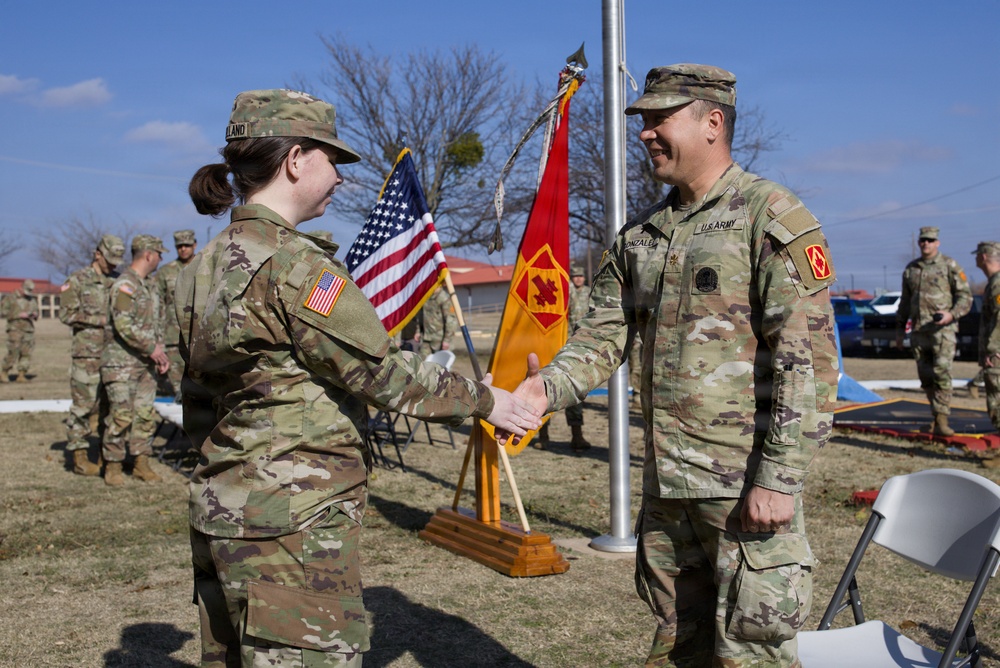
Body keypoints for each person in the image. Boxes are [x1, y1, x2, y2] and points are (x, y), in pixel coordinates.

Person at [179, 88, 540, 667]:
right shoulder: (297, 266)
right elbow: (382, 374)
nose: (340, 177)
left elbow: (196, 396)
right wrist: (485, 400)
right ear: (296, 159)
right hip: (291, 520)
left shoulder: (205, 266)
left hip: (223, 507)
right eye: (331, 158)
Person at [508, 64, 838, 667]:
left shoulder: (770, 216)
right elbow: (600, 340)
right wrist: (543, 392)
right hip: (668, 490)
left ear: (713, 123)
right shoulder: (641, 237)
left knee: (752, 653)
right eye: (643, 121)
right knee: (678, 645)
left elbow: (808, 360)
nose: (645, 133)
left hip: (743, 490)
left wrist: (779, 478)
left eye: (660, 119)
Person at [101, 234, 170, 487]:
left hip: (146, 364)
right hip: (121, 365)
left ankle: (141, 461)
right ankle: (113, 464)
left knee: (144, 414)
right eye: (159, 254)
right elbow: (123, 324)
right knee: (121, 416)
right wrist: (152, 348)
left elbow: (157, 322)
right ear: (148, 255)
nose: (161, 259)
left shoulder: (150, 286)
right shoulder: (124, 285)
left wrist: (160, 352)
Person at [59, 234, 125, 475]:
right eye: (109, 260)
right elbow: (66, 315)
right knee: (84, 406)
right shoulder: (77, 280)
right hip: (86, 355)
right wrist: (100, 320)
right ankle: (78, 457)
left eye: (116, 262)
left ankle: (105, 454)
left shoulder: (118, 280)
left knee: (109, 407)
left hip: (114, 356)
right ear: (98, 254)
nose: (112, 265)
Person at [896, 226, 972, 436]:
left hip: (942, 332)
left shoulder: (949, 265)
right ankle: (935, 416)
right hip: (920, 332)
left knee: (942, 374)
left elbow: (966, 297)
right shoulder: (911, 269)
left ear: (937, 242)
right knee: (926, 377)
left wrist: (951, 314)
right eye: (923, 240)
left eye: (930, 240)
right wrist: (900, 330)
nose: (926, 244)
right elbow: (904, 302)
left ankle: (942, 419)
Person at [536, 263, 592, 451]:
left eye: (580, 276)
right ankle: (543, 436)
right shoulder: (564, 290)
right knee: (546, 389)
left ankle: (577, 437)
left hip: (578, 347)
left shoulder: (590, 293)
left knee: (574, 392)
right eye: (574, 276)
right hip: (556, 345)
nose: (578, 279)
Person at [156, 229, 197, 398]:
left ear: (194, 245)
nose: (183, 249)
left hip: (199, 336)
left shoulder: (205, 266)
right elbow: (157, 304)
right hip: (173, 335)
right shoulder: (165, 272)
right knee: (177, 385)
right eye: (180, 246)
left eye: (187, 245)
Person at [974, 241, 1000, 430]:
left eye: (977, 255)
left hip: (996, 355)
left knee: (997, 403)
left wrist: (991, 349)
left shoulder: (997, 284)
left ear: (983, 257)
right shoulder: (993, 284)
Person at [1, 279, 40, 382]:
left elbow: (36, 310)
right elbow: (3, 312)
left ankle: (21, 375)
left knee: (26, 353)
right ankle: (4, 372)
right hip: (15, 329)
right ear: (21, 287)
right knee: (13, 351)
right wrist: (17, 315)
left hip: (28, 329)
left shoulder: (31, 299)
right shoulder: (10, 298)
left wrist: (35, 315)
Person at [418, 284, 458, 357]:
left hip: (440, 339)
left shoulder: (444, 298)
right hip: (426, 338)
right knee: (422, 364)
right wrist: (418, 331)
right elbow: (421, 315)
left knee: (442, 366)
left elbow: (451, 321)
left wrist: (446, 340)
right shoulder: (426, 297)